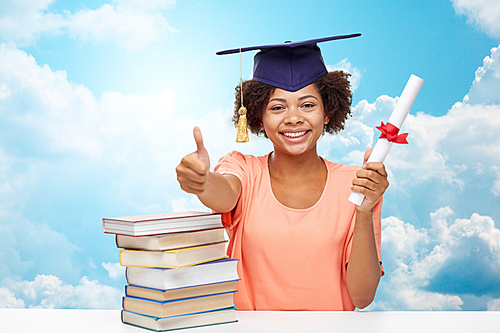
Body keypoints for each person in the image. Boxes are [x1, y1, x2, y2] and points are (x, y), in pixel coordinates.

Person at [176, 34, 389, 311]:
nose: (293, 117)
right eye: (277, 107)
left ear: (327, 112)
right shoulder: (244, 169)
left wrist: (364, 208)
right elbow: (226, 195)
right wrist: (202, 182)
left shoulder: (357, 183)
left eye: (307, 104)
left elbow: (362, 297)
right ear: (258, 118)